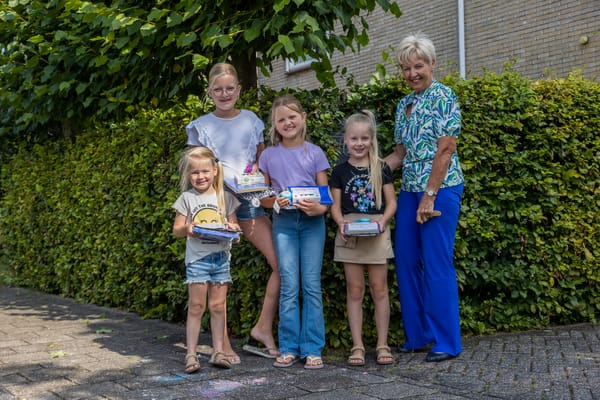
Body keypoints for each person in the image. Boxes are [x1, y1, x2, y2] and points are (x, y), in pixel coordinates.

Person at [186, 62, 280, 360]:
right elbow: (196, 170)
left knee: (281, 264)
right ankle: (222, 343)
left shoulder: (252, 120)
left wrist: (262, 186)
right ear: (209, 92)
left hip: (251, 201)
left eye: (230, 88)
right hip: (217, 206)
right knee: (217, 276)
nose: (224, 94)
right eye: (218, 89)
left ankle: (262, 327)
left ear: (239, 90)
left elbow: (262, 161)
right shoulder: (200, 125)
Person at [384, 33, 465, 363]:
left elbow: (446, 149)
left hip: (441, 190)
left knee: (436, 263)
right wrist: (368, 170)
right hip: (410, 190)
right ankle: (419, 336)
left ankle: (447, 341)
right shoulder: (404, 104)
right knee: (405, 260)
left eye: (418, 66)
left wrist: (430, 196)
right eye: (406, 68)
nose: (412, 73)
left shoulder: (445, 96)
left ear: (432, 64)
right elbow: (401, 152)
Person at [258, 94, 330, 370]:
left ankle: (313, 348)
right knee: (289, 285)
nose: (287, 123)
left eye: (292, 117)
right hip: (284, 224)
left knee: (311, 285)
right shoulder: (268, 155)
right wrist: (275, 200)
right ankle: (288, 347)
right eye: (281, 120)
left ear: (303, 119)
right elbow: (263, 198)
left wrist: (318, 209)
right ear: (274, 125)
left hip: (312, 224)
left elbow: (325, 199)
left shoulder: (315, 152)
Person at [330, 110, 397, 366]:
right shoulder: (339, 171)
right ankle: (357, 345)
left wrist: (383, 221)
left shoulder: (381, 168)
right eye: (354, 139)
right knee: (354, 290)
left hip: (377, 230)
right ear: (345, 140)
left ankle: (382, 344)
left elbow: (391, 203)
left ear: (372, 139)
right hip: (350, 233)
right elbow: (335, 206)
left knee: (380, 289)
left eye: (364, 138)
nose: (359, 143)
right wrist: (340, 223)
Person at [172, 146, 242, 373]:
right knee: (196, 306)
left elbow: (236, 229)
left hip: (221, 259)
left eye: (204, 171)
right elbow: (177, 229)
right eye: (194, 172)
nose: (200, 176)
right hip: (198, 260)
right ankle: (191, 354)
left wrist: (233, 227)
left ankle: (218, 351)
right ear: (188, 175)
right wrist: (189, 228)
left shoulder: (226, 198)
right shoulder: (187, 198)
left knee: (218, 306)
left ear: (214, 171)